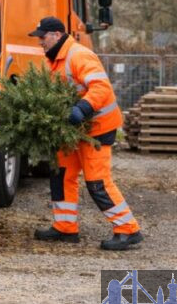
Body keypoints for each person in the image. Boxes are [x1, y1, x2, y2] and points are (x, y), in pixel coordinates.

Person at [29, 16, 143, 250]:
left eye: (43, 37)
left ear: (57, 35)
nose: (40, 41)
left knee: (97, 182)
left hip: (97, 129)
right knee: (60, 174)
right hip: (74, 130)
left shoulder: (79, 55)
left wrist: (82, 107)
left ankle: (128, 229)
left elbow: (101, 88)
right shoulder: (55, 59)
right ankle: (65, 227)